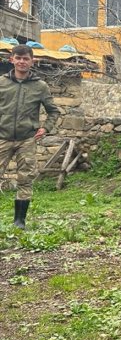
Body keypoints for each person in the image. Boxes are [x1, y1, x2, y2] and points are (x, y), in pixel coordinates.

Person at [0, 44, 60, 229]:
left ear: (32, 61)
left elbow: (53, 111)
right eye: (18, 58)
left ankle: (19, 221)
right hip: (2, 137)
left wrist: (46, 128)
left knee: (25, 178)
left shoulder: (40, 86)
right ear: (12, 60)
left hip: (27, 139)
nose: (22, 62)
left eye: (26, 58)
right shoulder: (1, 82)